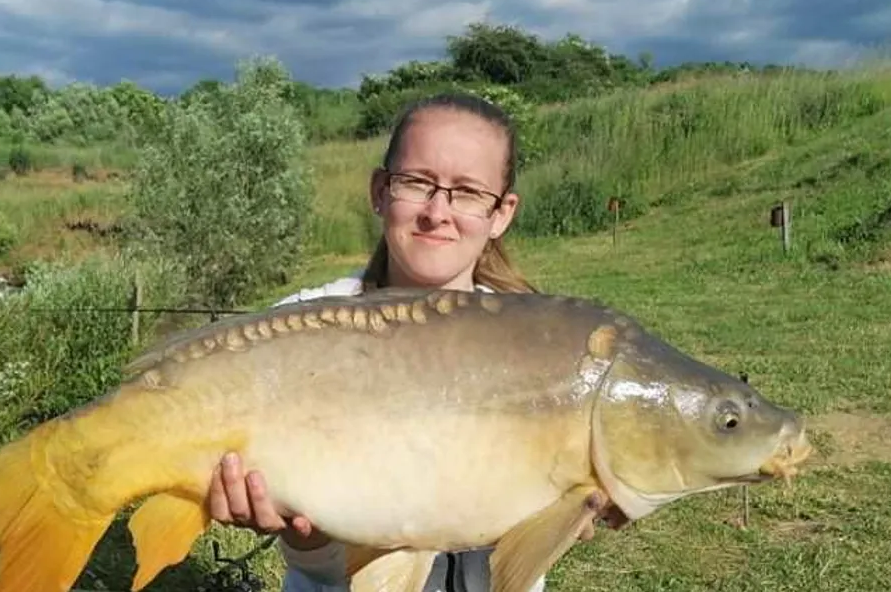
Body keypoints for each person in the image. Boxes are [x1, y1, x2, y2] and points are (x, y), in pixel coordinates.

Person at [205, 92, 625, 591]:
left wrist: (597, 499)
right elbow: (315, 567)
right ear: (380, 191)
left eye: (468, 192)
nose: (437, 211)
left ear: (502, 213)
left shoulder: (546, 345)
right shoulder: (292, 332)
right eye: (416, 183)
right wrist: (304, 534)